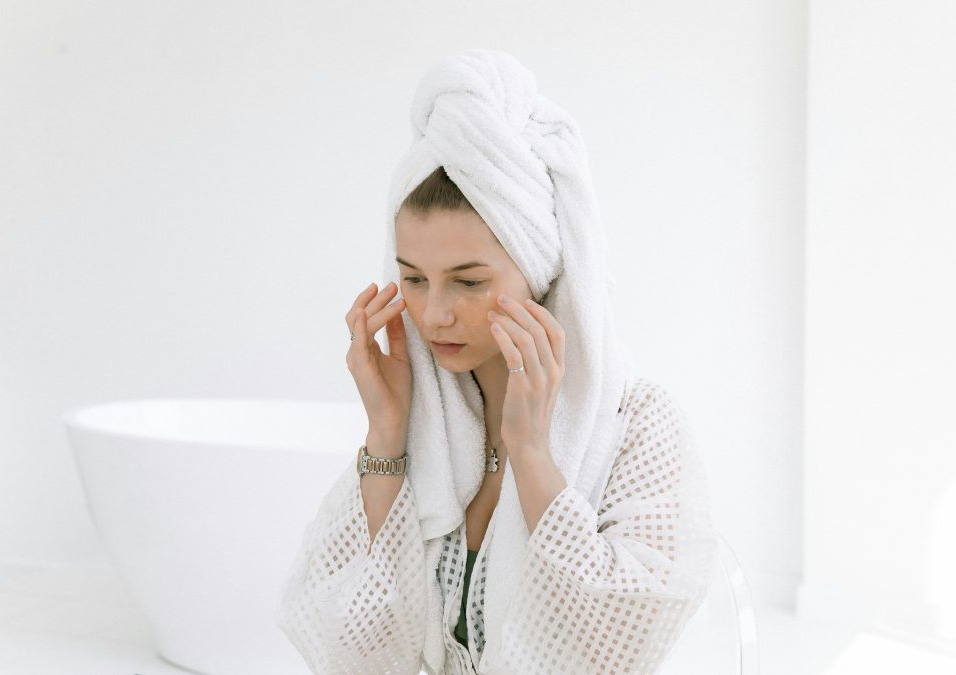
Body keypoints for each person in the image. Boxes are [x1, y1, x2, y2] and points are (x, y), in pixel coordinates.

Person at [274, 48, 718, 675]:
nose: (433, 316)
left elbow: (624, 642)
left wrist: (532, 453)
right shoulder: (427, 425)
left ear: (536, 273)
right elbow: (355, 651)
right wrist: (386, 436)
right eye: (414, 280)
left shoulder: (636, 424)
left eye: (469, 282)